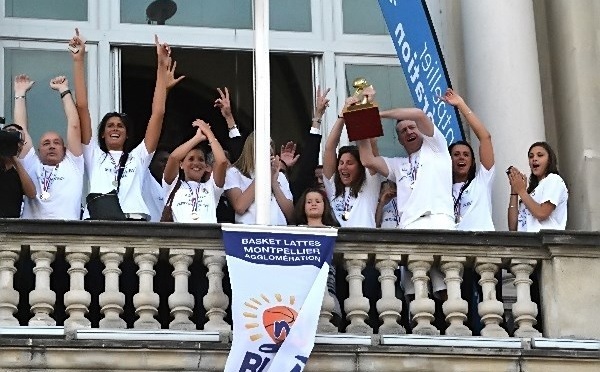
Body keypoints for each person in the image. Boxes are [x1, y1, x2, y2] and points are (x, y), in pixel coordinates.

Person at [71, 29, 181, 220]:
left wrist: (161, 67)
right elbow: (82, 107)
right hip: (98, 220)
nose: (115, 128)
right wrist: (79, 60)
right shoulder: (93, 155)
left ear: (127, 134)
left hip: (133, 220)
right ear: (102, 134)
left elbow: (158, 114)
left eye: (120, 126)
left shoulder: (139, 156)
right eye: (110, 126)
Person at [357, 107, 453, 303]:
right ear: (399, 140)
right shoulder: (397, 164)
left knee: (446, 290)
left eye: (412, 128)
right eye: (403, 131)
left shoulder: (436, 147)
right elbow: (367, 159)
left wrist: (379, 114)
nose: (409, 132)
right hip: (409, 229)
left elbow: (418, 113)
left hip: (438, 222)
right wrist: (361, 120)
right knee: (415, 292)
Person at [14, 74, 84, 220]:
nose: (51, 146)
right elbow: (20, 130)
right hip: (32, 238)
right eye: (46, 143)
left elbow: (74, 125)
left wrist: (64, 90)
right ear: (38, 151)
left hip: (68, 237)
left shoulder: (73, 164)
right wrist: (20, 93)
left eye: (56, 143)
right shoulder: (31, 164)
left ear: (65, 149)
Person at [440, 88, 495, 231]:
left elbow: (485, 137)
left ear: (472, 161)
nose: (461, 158)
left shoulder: (482, 181)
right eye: (456, 154)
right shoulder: (441, 190)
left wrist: (461, 105)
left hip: (481, 248)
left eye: (466, 154)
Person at [322, 97, 381, 227]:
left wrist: (361, 112)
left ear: (360, 166)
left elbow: (371, 145)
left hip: (365, 244)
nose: (343, 167)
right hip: (339, 245)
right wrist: (342, 116)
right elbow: (330, 148)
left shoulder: (369, 185)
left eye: (349, 163)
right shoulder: (333, 187)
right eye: (341, 162)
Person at [162, 119, 227, 223]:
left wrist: (209, 134)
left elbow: (222, 162)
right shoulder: (172, 186)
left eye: (201, 159)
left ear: (206, 166)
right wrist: (197, 138)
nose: (196, 163)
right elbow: (173, 157)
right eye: (191, 159)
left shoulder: (211, 188)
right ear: (181, 164)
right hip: (180, 238)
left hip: (207, 237)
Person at [294, 187, 342, 325]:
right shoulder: (296, 232)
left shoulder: (333, 232)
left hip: (328, 288)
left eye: (317, 201)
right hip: (302, 290)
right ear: (303, 206)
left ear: (325, 206)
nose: (313, 204)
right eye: (309, 202)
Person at [224, 132, 294, 225]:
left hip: (278, 233)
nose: (269, 149)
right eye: (264, 144)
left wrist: (273, 182)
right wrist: (263, 174)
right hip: (249, 234)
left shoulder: (279, 176)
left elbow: (291, 216)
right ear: (251, 148)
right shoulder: (234, 173)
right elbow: (240, 207)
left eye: (270, 145)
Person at [507, 142, 568, 231]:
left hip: (545, 242)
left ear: (549, 160)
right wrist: (514, 192)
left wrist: (521, 191)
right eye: (531, 156)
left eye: (540, 155)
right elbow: (513, 228)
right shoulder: (530, 193)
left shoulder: (554, 180)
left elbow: (542, 213)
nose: (534, 159)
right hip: (526, 242)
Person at [0, 124, 36, 217]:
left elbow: (31, 194)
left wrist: (15, 160)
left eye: (21, 142)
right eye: (11, 137)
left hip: (11, 227)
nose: (17, 144)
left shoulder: (19, 172)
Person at [143, 148, 169, 222]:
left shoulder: (175, 185)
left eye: (169, 162)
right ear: (151, 162)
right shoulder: (145, 179)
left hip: (170, 231)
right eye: (163, 161)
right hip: (149, 230)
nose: (166, 165)